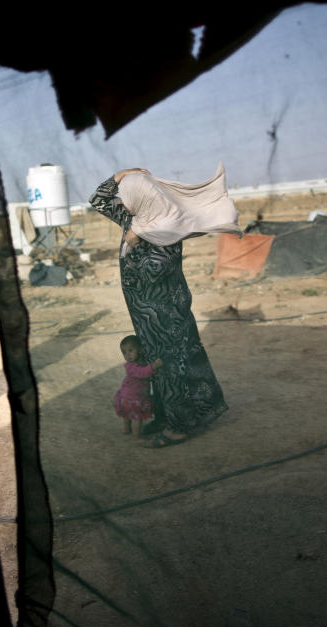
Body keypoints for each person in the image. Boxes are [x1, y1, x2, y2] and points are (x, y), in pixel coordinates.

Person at [89, 167, 233, 448]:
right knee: (161, 367)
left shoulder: (167, 225)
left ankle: (179, 426)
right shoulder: (135, 216)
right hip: (146, 316)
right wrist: (121, 175)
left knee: (171, 368)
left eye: (129, 195)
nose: (124, 202)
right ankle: (169, 416)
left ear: (144, 197)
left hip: (166, 314)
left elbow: (155, 271)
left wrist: (138, 234)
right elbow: (97, 200)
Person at [113, 335, 162, 440]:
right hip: (134, 397)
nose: (128, 355)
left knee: (127, 414)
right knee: (137, 418)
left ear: (140, 350)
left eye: (130, 350)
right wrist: (154, 366)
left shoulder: (139, 363)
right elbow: (142, 372)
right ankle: (137, 436)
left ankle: (126, 429)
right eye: (124, 352)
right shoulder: (130, 367)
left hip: (126, 395)